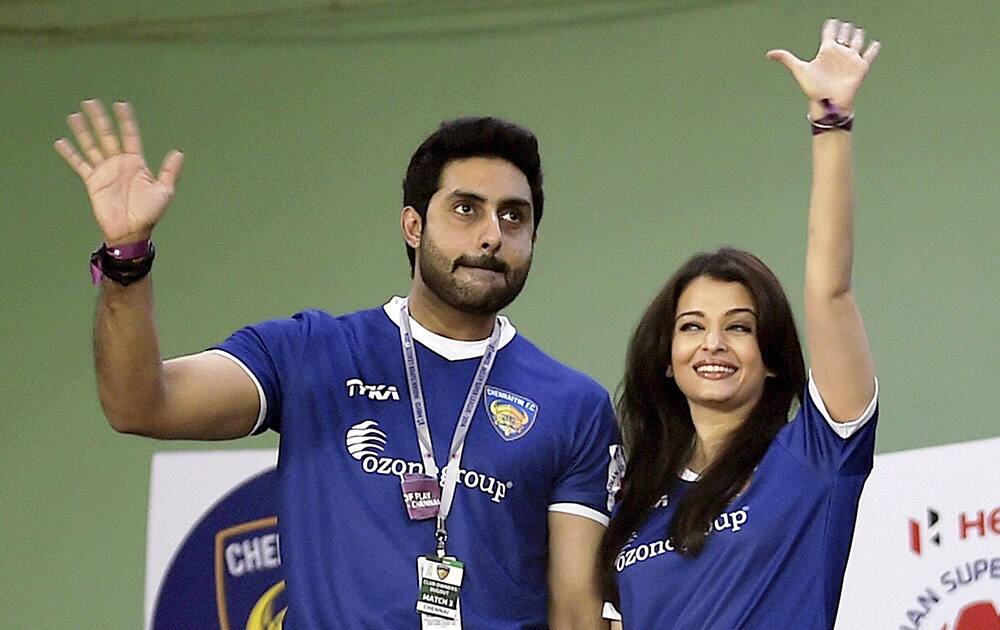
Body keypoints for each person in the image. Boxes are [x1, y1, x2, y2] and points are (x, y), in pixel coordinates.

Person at [55, 110, 619, 629]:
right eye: (466, 208)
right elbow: (139, 403)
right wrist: (127, 255)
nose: (492, 233)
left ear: (533, 239)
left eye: (513, 216)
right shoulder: (310, 351)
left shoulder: (575, 405)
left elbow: (575, 611)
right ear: (413, 225)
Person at [599, 19, 881, 629]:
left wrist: (830, 123)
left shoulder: (812, 457)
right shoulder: (630, 503)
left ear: (771, 352)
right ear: (666, 357)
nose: (714, 345)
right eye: (692, 327)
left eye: (741, 327)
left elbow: (830, 291)